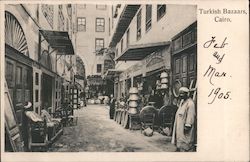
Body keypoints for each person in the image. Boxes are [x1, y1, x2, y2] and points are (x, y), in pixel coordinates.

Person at [171, 87, 196, 152]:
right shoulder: (182, 102)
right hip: (180, 127)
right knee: (180, 143)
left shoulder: (190, 103)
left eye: (182, 94)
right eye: (180, 93)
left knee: (186, 144)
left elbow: (190, 116)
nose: (180, 95)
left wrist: (187, 127)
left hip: (185, 129)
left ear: (187, 94)